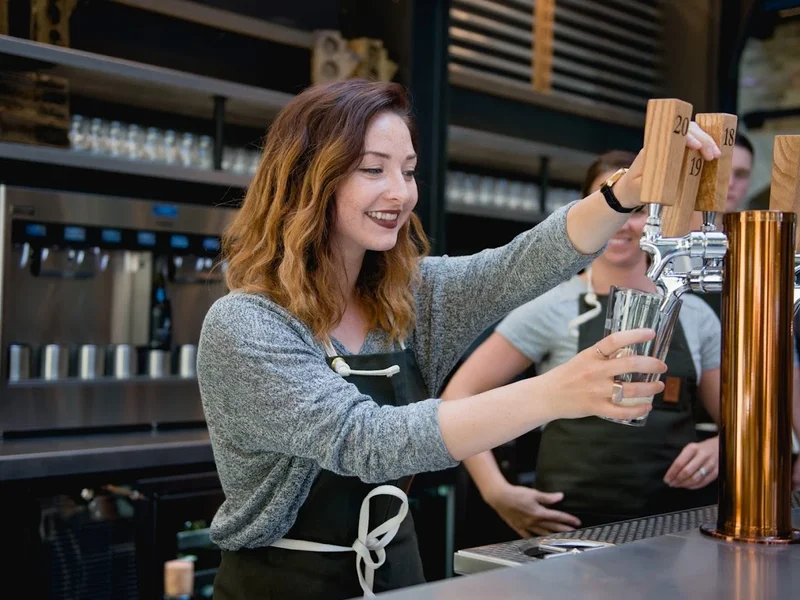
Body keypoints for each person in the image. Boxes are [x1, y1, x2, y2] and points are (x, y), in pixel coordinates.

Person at [196, 79, 720, 599]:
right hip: (281, 584)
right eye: (373, 169)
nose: (400, 193)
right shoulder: (246, 323)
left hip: (396, 571)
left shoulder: (409, 297)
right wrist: (555, 393)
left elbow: (518, 265)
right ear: (308, 179)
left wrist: (624, 193)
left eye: (408, 171)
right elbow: (366, 440)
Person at [441, 151, 724, 536]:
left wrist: (720, 447)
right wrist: (496, 491)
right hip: (571, 531)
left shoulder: (693, 314)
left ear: (656, 218)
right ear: (589, 210)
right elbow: (459, 394)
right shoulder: (550, 304)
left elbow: (736, 422)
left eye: (638, 210)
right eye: (614, 203)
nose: (623, 222)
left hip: (675, 528)